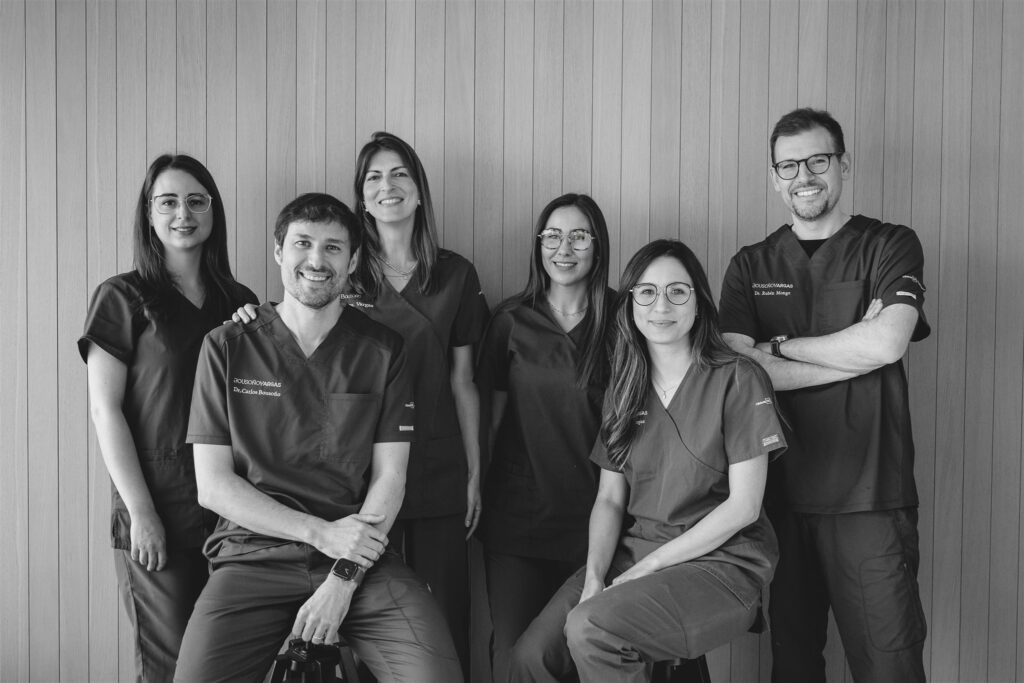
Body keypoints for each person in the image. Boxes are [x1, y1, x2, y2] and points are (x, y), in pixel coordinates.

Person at [173, 193, 462, 682]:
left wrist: (343, 577)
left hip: (362, 562)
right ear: (278, 252)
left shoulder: (383, 350)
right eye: (302, 243)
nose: (316, 260)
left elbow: (391, 479)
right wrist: (319, 533)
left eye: (333, 248)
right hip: (250, 559)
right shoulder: (226, 347)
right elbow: (214, 487)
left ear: (352, 260)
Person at [509, 239, 786, 683]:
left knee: (593, 629)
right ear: (631, 303)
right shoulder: (624, 389)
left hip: (721, 563)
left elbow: (744, 507)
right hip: (633, 553)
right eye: (647, 292)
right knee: (533, 657)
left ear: (699, 303)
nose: (662, 305)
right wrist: (595, 578)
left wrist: (650, 567)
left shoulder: (738, 378)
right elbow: (610, 501)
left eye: (678, 291)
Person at [719, 107, 930, 682]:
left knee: (890, 666)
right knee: (792, 667)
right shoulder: (749, 265)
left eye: (817, 160)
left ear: (843, 164)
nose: (803, 176)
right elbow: (739, 374)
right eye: (788, 165)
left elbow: (887, 343)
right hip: (776, 498)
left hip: (870, 497)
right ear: (773, 176)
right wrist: (850, 347)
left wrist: (781, 349)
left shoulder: (890, 245)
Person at [79, 154, 258, 682]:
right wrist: (141, 513)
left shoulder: (239, 301)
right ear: (150, 215)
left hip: (231, 511)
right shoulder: (122, 296)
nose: (184, 213)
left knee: (225, 661)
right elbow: (104, 410)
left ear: (213, 212)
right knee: (172, 664)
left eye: (196, 200)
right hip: (156, 504)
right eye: (169, 201)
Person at [476, 193, 613, 682]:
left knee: (583, 657)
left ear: (598, 246)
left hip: (601, 520)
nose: (564, 247)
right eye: (552, 236)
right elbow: (488, 423)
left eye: (579, 236)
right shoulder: (510, 321)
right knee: (513, 659)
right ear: (538, 245)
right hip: (519, 520)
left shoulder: (623, 321)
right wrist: (475, 488)